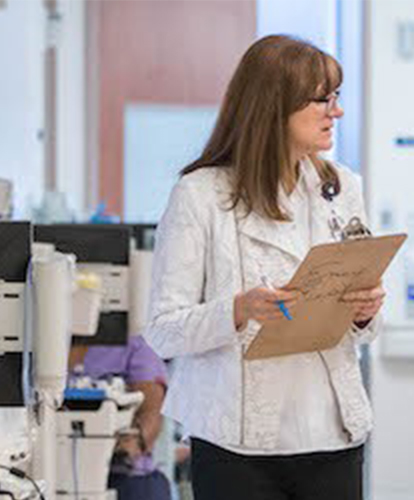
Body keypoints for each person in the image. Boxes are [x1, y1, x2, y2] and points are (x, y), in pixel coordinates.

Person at [141, 34, 385, 500]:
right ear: (276, 105)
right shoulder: (200, 195)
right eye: (324, 99)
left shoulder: (342, 187)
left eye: (338, 98)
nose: (337, 112)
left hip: (332, 437)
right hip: (237, 447)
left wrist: (365, 311)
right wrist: (238, 310)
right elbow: (164, 330)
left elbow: (367, 329)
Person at [69, 336, 171, 500]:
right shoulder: (44, 344)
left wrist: (132, 443)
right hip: (59, 465)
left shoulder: (135, 347)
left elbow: (152, 412)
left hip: (125, 474)